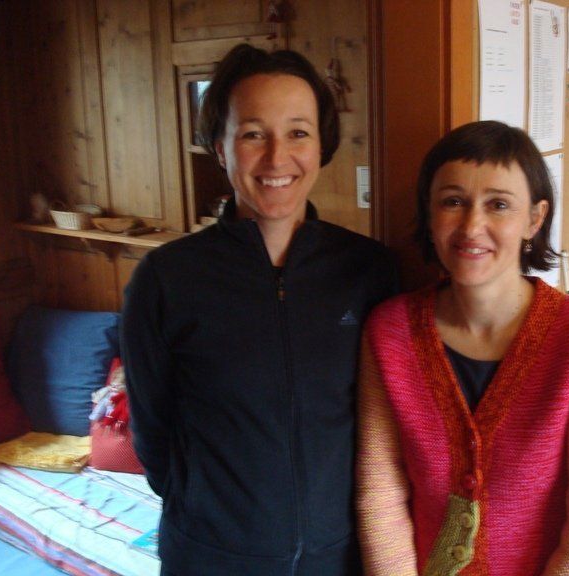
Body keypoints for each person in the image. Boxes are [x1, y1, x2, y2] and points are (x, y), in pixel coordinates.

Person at [121, 43, 398, 576]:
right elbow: (153, 433)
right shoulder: (166, 279)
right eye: (252, 134)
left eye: (298, 133)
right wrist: (208, 513)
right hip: (210, 557)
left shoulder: (369, 270)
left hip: (339, 557)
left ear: (321, 145)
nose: (276, 158)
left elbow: (382, 423)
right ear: (220, 149)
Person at [356, 121, 569, 575]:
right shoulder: (389, 332)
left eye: (499, 204)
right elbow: (381, 493)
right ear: (429, 215)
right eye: (453, 201)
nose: (472, 225)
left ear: (534, 219)